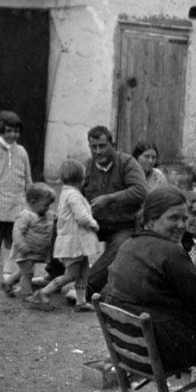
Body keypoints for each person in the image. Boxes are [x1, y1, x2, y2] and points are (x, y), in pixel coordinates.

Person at [102, 186, 196, 392]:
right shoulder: (171, 252)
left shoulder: (129, 245)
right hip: (161, 352)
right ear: (152, 219)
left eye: (184, 218)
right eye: (173, 218)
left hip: (131, 351)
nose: (181, 225)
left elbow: (170, 291)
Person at [82, 126, 148, 298]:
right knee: (58, 224)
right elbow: (75, 193)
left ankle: (86, 287)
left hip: (123, 224)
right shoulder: (87, 167)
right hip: (94, 223)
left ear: (112, 144)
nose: (98, 151)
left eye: (102, 146)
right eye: (93, 147)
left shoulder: (127, 162)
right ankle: (55, 274)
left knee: (119, 247)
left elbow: (141, 191)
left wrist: (110, 198)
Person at [28, 160, 100, 312]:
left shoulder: (67, 193)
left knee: (83, 272)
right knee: (71, 275)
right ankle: (42, 293)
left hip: (78, 243)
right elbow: (81, 217)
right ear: (81, 179)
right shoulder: (73, 195)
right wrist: (93, 223)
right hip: (73, 242)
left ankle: (80, 301)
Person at [0, 111, 32, 286]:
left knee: (12, 236)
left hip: (17, 203)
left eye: (16, 131)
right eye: (8, 131)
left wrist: (30, 197)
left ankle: (9, 269)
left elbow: (27, 177)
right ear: (1, 130)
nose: (12, 135)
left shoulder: (22, 151)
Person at [3, 183, 55, 298]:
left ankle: (8, 282)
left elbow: (54, 219)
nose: (48, 208)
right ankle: (27, 294)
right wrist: (22, 246)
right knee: (28, 273)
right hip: (24, 251)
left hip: (35, 251)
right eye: (46, 205)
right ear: (32, 202)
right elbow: (17, 232)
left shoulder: (45, 213)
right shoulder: (25, 216)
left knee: (23, 272)